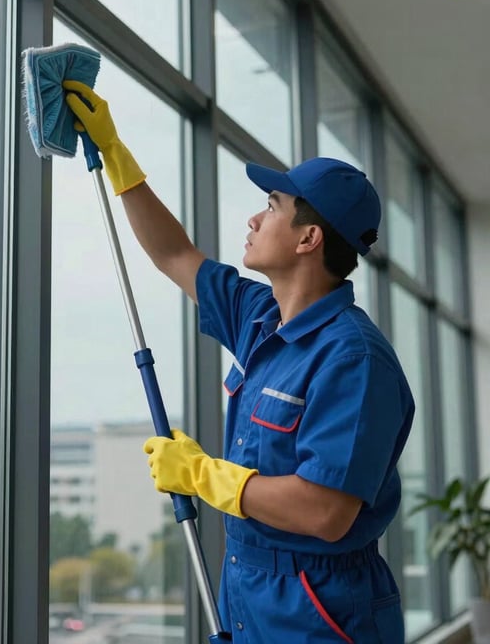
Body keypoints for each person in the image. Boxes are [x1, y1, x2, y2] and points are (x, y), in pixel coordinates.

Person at [64, 80, 415, 644]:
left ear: (309, 238)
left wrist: (205, 476)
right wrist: (115, 155)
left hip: (318, 610)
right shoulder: (261, 317)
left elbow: (326, 511)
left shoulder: (354, 359)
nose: (254, 220)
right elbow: (176, 254)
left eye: (271, 206)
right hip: (245, 588)